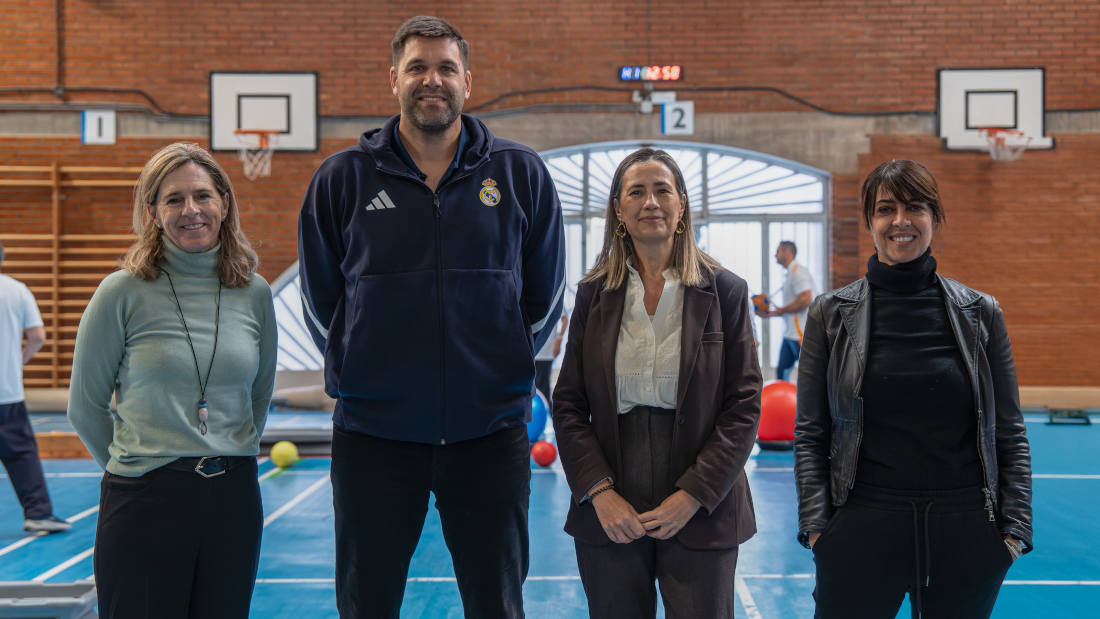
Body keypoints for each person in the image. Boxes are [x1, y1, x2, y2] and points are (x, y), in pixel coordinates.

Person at [297, 15, 565, 618]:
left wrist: (502, 372)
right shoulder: (342, 180)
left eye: (445, 67)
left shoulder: (520, 174)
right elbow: (320, 301)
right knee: (367, 604)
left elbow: (546, 297)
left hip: (489, 434)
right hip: (373, 437)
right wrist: (356, 371)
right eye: (417, 67)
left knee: (496, 604)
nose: (432, 80)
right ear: (393, 78)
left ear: (468, 81)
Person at [794, 159, 1032, 618]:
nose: (900, 221)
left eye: (915, 207)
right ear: (869, 222)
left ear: (935, 218)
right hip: (861, 526)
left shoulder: (981, 313)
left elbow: (1010, 431)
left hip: (964, 531)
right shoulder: (829, 313)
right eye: (886, 209)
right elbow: (811, 432)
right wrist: (819, 528)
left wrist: (1014, 531)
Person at [68, 142, 277, 618]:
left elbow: (259, 395)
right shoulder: (120, 292)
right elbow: (85, 407)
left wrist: (230, 448)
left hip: (233, 500)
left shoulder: (255, 292)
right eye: (173, 199)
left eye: (203, 196)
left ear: (224, 204)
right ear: (152, 213)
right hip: (144, 500)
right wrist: (139, 470)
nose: (191, 210)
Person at [552, 148, 762, 619]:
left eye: (662, 190)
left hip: (702, 497)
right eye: (637, 192)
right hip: (612, 490)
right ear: (619, 210)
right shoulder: (593, 295)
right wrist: (600, 494)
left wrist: (694, 494)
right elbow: (568, 404)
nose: (651, 202)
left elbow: (744, 404)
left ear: (681, 206)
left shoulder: (725, 291)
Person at [0, 242, 70, 534]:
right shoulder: (16, 290)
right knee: (21, 452)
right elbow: (38, 336)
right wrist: (17, 361)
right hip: (7, 391)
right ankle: (38, 512)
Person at [759, 240, 814, 381]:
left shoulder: (798, 272)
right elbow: (792, 309)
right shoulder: (790, 274)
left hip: (801, 335)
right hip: (790, 334)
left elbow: (806, 299)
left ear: (788, 252)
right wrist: (773, 313)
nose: (774, 255)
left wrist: (781, 310)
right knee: (781, 373)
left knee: (809, 377)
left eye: (777, 251)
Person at [534, 314, 567, 404]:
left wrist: (559, 340)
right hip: (533, 351)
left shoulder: (554, 299)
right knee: (533, 388)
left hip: (545, 352)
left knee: (543, 388)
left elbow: (564, 319)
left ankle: (547, 413)